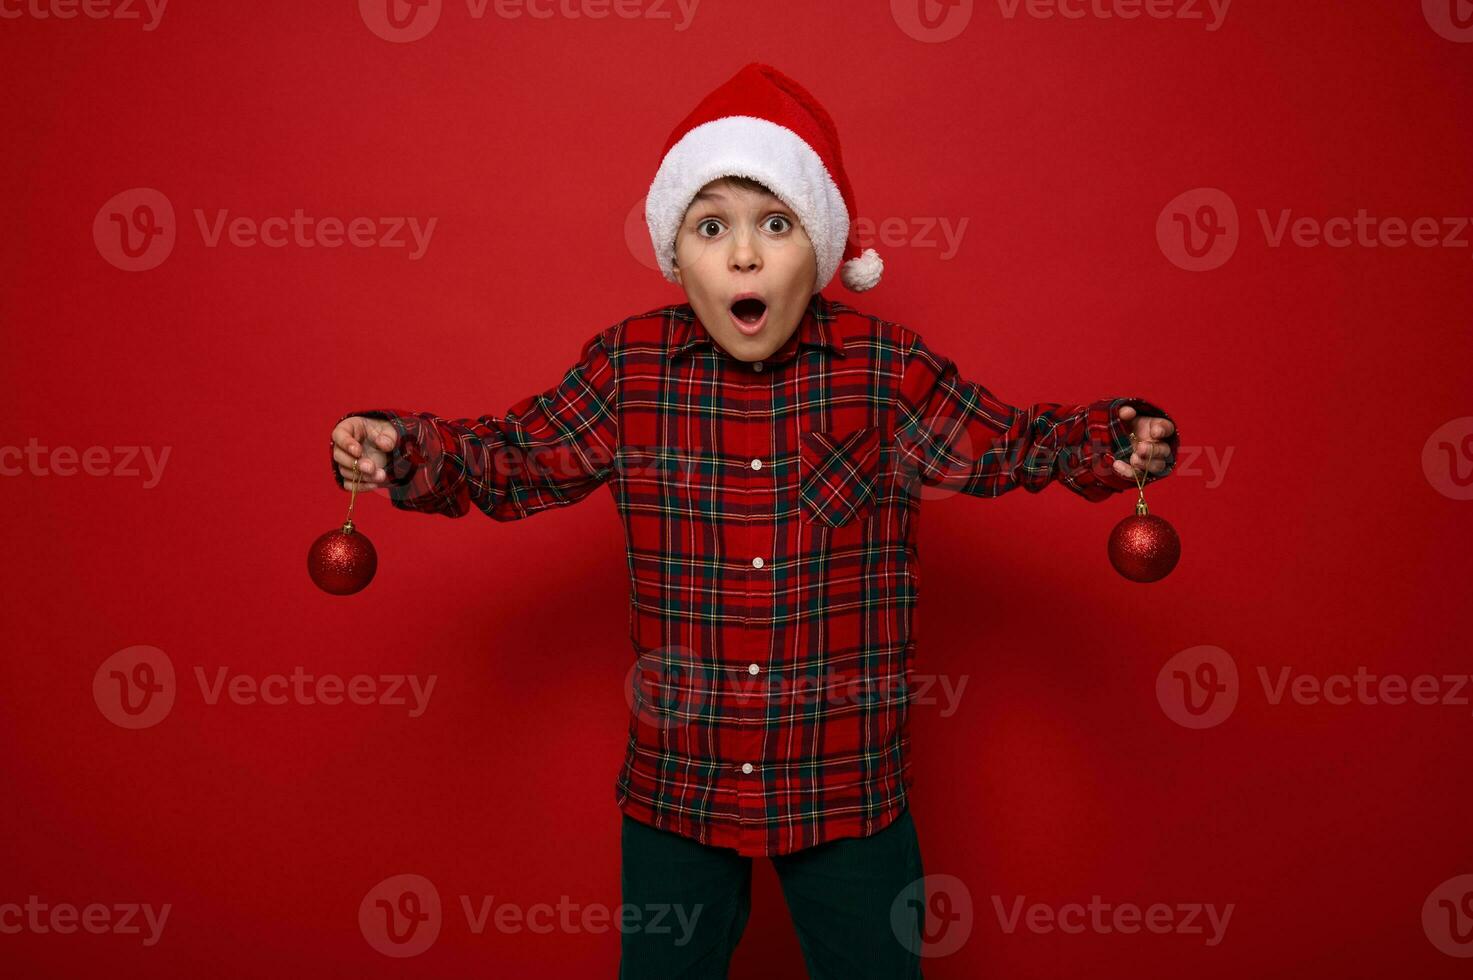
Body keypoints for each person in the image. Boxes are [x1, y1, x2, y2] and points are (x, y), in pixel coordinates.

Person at [328, 62, 1179, 979]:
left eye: (774, 225)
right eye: (711, 227)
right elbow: (513, 459)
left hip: (844, 782)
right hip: (679, 785)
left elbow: (1008, 442)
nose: (743, 256)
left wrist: (1110, 444)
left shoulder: (883, 370)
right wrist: (402, 448)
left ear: (817, 245)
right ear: (675, 255)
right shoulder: (629, 370)